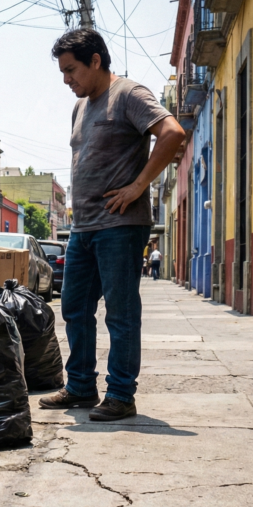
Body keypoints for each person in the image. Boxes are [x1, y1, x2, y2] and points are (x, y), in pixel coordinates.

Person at [39, 29, 185, 422]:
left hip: (119, 227)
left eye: (71, 70)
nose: (67, 79)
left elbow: (172, 133)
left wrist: (138, 186)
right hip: (83, 228)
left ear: (96, 61)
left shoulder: (129, 94)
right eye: (63, 72)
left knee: (120, 313)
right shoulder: (82, 107)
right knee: (73, 308)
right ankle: (81, 386)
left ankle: (121, 394)